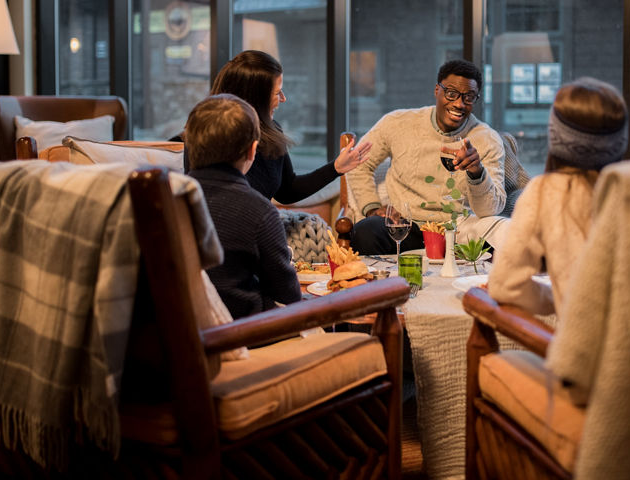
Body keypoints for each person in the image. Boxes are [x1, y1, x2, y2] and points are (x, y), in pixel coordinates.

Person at [487, 77, 628, 315]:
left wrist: (561, 300)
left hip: (581, 347)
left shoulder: (546, 192)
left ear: (556, 137)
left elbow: (505, 285)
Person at [346, 59, 507, 255]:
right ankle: (385, 286)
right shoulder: (398, 123)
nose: (459, 103)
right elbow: (357, 162)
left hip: (459, 230)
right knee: (365, 232)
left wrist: (477, 172)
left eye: (469, 97)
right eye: (451, 93)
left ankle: (478, 285)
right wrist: (372, 208)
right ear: (436, 90)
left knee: (505, 238)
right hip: (406, 225)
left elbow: (491, 209)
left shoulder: (487, 139)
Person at [179, 50, 371, 203]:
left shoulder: (271, 130)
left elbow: (286, 192)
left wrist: (336, 168)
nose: (283, 99)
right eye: (277, 92)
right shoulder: (207, 135)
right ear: (254, 97)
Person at [184, 93, 302, 318]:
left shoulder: (165, 201)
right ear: (252, 150)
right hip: (243, 333)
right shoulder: (259, 212)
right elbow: (288, 295)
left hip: (177, 333)